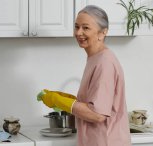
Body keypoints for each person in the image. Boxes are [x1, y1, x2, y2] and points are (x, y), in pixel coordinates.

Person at [39, 5, 131, 146]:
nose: (78, 32)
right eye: (76, 27)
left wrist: (59, 101)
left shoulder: (104, 62)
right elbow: (95, 102)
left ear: (102, 33)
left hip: (106, 141)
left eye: (86, 28)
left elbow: (98, 114)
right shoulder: (95, 57)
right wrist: (65, 99)